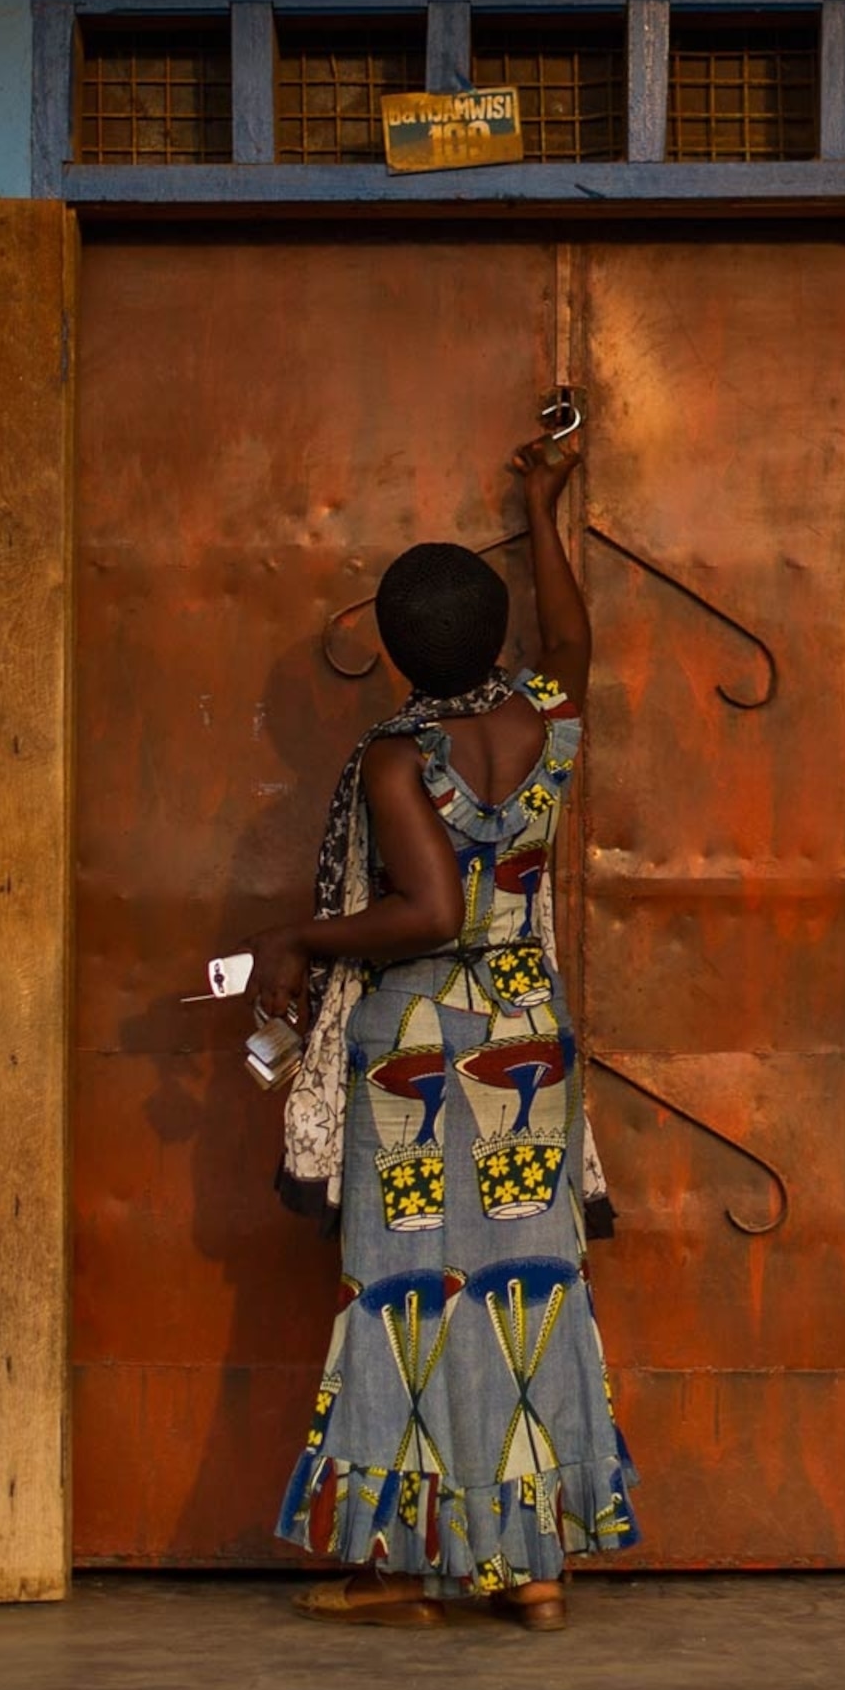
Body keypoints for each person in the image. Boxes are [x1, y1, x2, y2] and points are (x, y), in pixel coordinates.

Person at [238, 434, 639, 1629]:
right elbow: (570, 642)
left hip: (419, 1045)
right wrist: (539, 501)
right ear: (495, 634)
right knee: (530, 1286)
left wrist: (301, 937)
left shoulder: (397, 756)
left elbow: (429, 910)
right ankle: (540, 1569)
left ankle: (399, 1561)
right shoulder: (548, 718)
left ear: (399, 654)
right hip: (530, 1031)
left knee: (402, 1291)